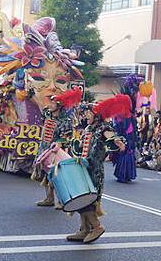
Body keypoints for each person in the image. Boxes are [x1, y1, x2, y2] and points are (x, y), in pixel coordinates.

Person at [65, 97, 128, 243]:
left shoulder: (103, 128)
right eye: (86, 113)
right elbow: (80, 147)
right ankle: (84, 229)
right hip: (84, 167)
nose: (86, 115)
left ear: (97, 115)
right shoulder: (88, 129)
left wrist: (117, 141)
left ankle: (97, 226)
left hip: (95, 170)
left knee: (87, 199)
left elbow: (111, 137)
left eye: (89, 113)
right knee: (80, 196)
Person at [31, 87, 81, 208]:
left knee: (57, 175)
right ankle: (49, 198)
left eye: (53, 103)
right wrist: (32, 94)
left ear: (59, 105)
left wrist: (59, 143)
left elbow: (67, 136)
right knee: (45, 174)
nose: (51, 104)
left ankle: (61, 200)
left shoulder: (65, 120)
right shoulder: (47, 113)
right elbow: (39, 105)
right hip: (44, 147)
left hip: (56, 151)